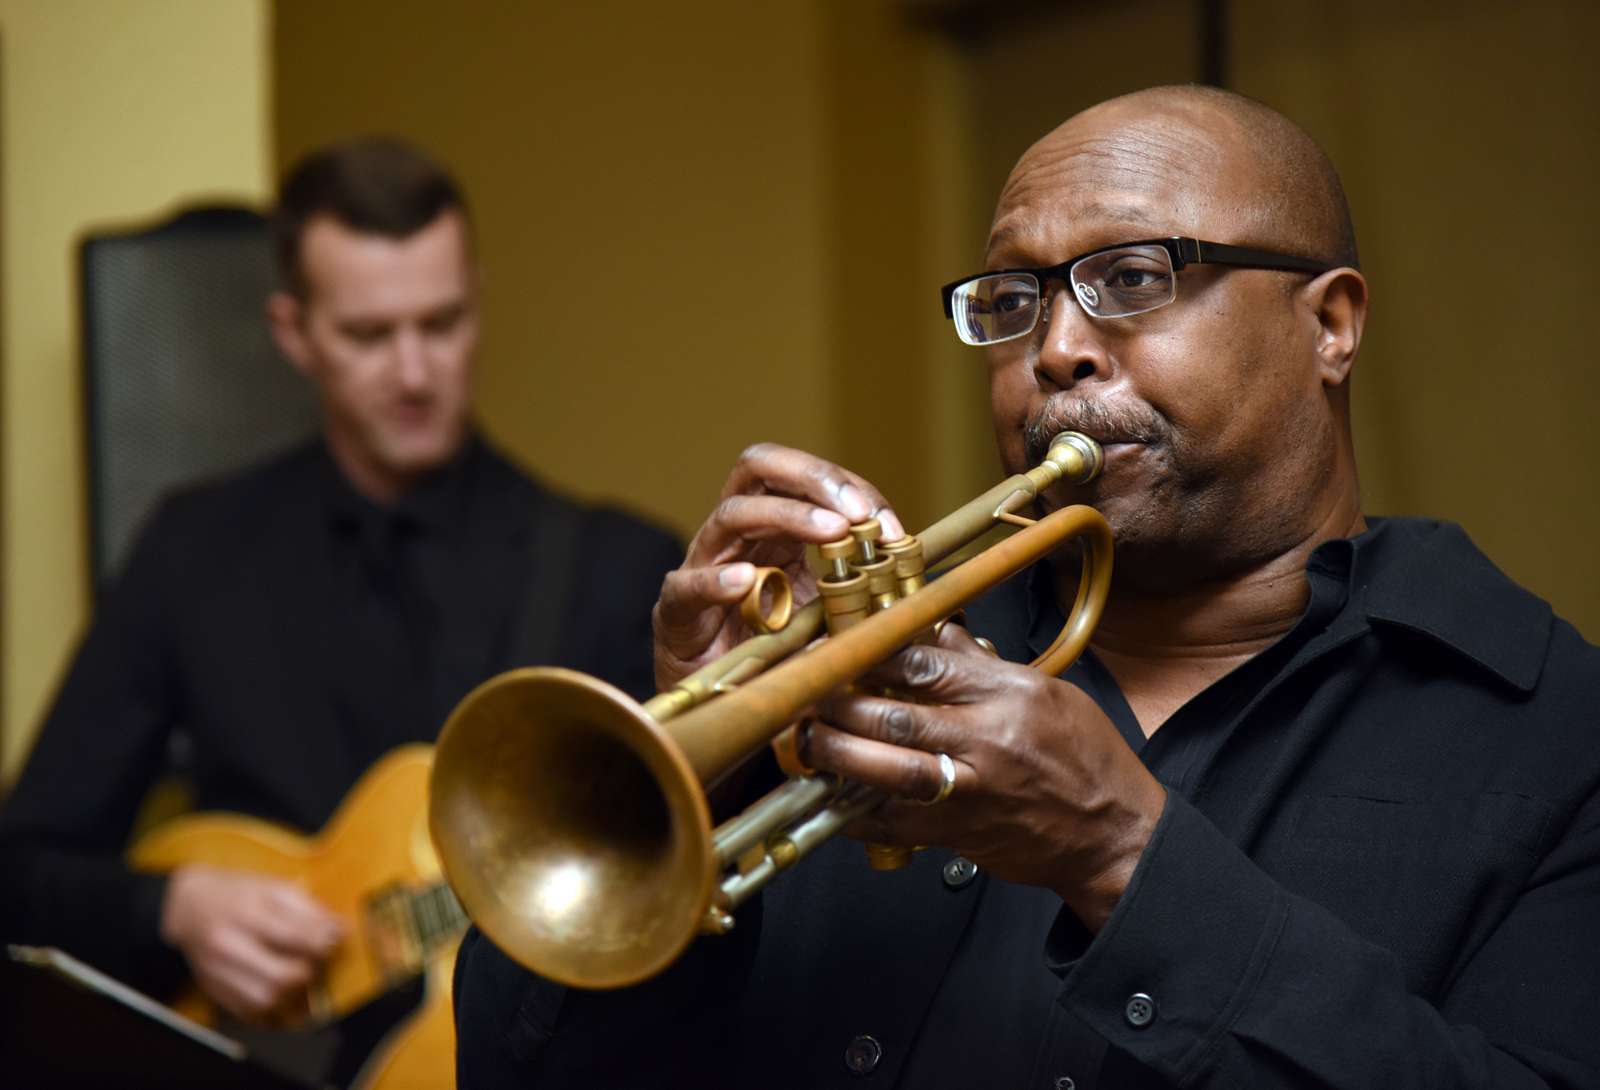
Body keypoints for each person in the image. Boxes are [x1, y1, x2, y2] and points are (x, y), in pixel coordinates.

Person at [452, 86, 1600, 1089]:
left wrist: (1120, 859)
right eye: (1011, 299)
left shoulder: (1558, 735)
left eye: (1132, 277)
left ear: (1332, 325)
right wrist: (689, 774)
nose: (1055, 348)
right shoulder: (859, 665)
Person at [0, 139, 680, 1025]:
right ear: (294, 332)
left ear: (478, 301)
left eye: (441, 324)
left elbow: (672, 877)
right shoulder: (193, 549)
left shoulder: (610, 568)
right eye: (368, 334)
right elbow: (21, 867)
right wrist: (171, 908)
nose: (413, 373)